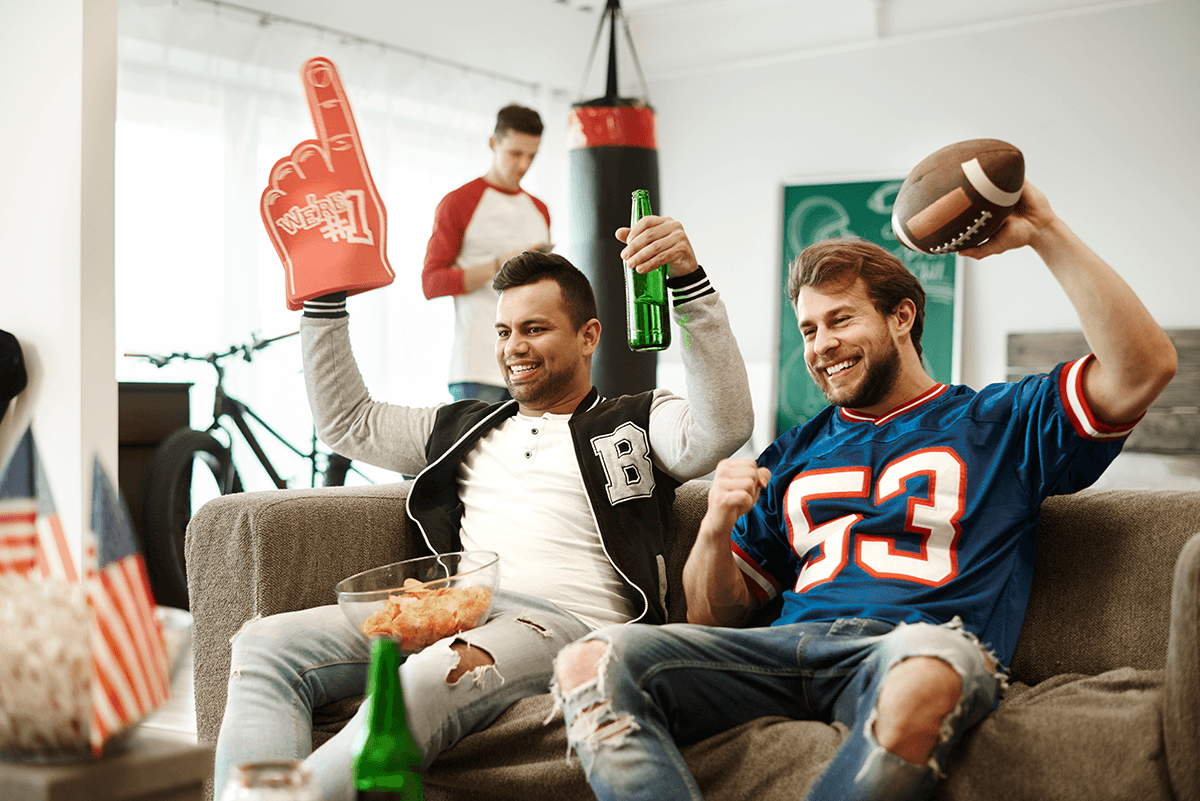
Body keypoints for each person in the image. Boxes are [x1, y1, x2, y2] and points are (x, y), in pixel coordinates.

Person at [551, 180, 1177, 801]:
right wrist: (715, 525)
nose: (821, 347)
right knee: (587, 663)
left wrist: (1046, 233)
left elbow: (1142, 368)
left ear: (901, 316)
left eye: (840, 320)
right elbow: (717, 616)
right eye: (808, 330)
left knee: (927, 669)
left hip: (913, 649)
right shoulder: (793, 452)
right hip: (785, 652)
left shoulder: (1001, 422)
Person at [212, 215, 755, 800]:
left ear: (589, 336)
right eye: (502, 331)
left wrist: (689, 284)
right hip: (456, 607)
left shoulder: (635, 420)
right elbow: (350, 422)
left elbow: (721, 428)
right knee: (264, 644)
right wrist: (325, 298)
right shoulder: (463, 427)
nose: (513, 347)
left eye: (534, 328)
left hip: (564, 625)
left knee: (430, 675)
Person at [422, 104, 553, 403]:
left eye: (531, 156)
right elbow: (431, 283)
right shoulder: (459, 203)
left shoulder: (540, 210)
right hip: (479, 365)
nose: (523, 165)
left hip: (533, 365)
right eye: (515, 153)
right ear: (494, 143)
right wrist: (502, 265)